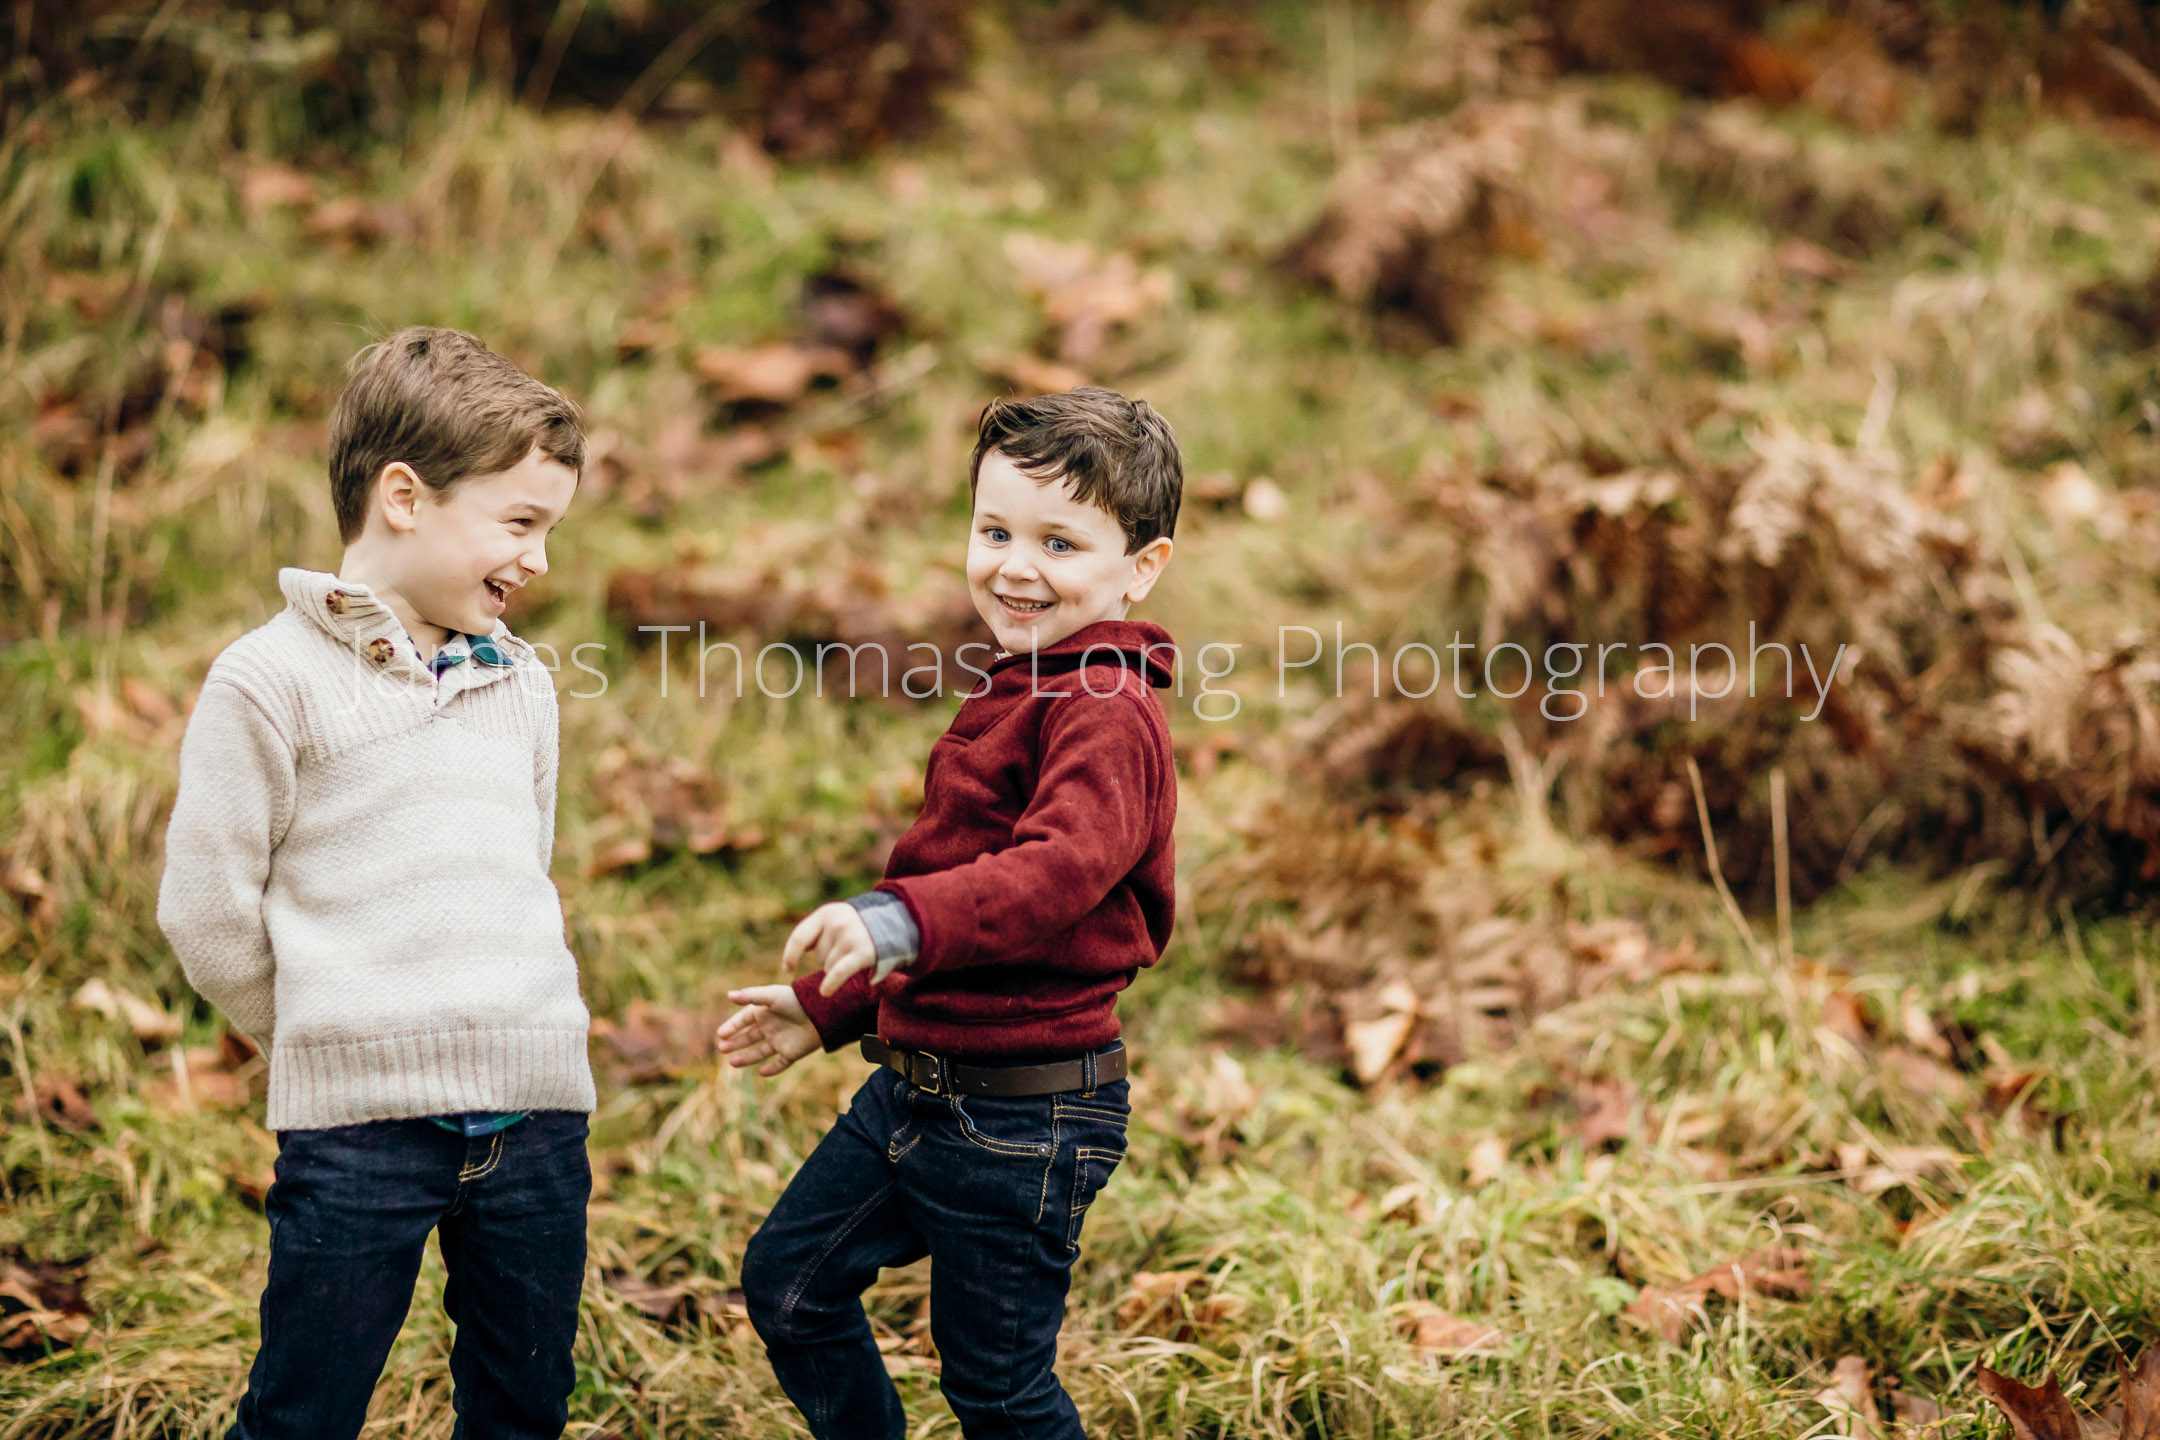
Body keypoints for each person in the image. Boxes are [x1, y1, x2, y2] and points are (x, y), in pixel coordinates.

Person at [717, 385, 1186, 1440]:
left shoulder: (1106, 709)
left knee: (996, 1387)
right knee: (790, 1287)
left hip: (1024, 1118)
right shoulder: (1026, 679)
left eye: (1060, 543)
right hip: (918, 1091)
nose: (1016, 566)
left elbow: (1052, 875)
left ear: (1140, 567)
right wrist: (830, 1010)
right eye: (994, 530)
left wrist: (894, 922)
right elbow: (965, 894)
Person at [157, 327, 594, 1440]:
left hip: (535, 1116)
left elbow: (520, 863)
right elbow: (207, 911)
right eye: (520, 523)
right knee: (308, 1402)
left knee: (524, 1398)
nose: (540, 558)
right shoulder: (270, 682)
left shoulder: (522, 681)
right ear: (405, 496)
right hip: (358, 1133)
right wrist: (323, 1026)